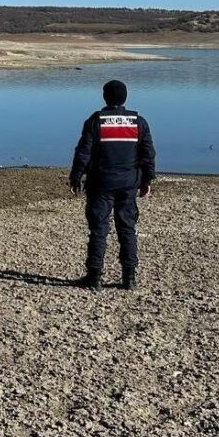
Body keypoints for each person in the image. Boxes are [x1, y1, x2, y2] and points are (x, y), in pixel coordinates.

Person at [68, 80, 156, 290]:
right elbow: (148, 154)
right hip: (128, 183)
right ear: (124, 98)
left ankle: (95, 276)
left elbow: (83, 152)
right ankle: (129, 278)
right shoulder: (138, 122)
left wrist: (76, 177)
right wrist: (147, 180)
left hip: (100, 183)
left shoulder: (95, 121)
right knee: (127, 229)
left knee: (99, 229)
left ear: (105, 97)